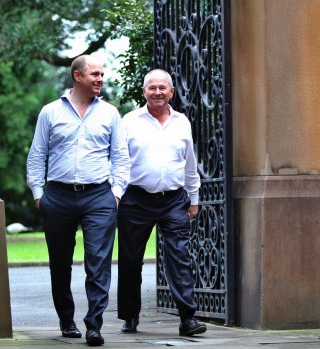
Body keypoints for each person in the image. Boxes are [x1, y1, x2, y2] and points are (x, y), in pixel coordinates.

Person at [26, 55, 130, 346]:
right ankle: (66, 319)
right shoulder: (50, 112)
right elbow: (37, 155)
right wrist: (38, 196)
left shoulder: (110, 113)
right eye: (95, 74)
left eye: (101, 74)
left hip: (99, 195)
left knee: (98, 262)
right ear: (77, 76)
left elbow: (121, 157)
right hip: (57, 196)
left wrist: (117, 193)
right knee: (60, 263)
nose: (100, 78)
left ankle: (94, 325)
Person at [117, 69, 207, 337]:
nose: (157, 92)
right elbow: (120, 162)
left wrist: (194, 197)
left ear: (171, 92)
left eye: (162, 88)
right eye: (152, 88)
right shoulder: (129, 121)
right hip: (136, 200)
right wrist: (117, 193)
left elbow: (189, 163)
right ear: (144, 91)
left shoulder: (182, 122)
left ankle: (187, 319)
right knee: (131, 260)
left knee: (180, 256)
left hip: (173, 200)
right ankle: (130, 316)